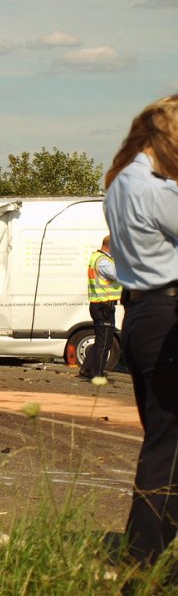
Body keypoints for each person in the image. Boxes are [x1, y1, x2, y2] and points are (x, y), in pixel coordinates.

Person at [103, 94, 178, 568]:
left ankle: (145, 559)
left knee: (165, 444)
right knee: (169, 450)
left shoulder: (121, 183)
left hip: (142, 316)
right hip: (169, 314)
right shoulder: (156, 188)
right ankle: (145, 565)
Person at [79, 235, 121, 380]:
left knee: (100, 340)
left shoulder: (99, 258)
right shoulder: (103, 261)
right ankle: (96, 374)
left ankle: (86, 369)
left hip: (101, 305)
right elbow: (118, 275)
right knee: (105, 342)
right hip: (104, 306)